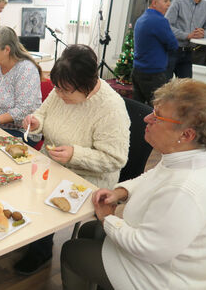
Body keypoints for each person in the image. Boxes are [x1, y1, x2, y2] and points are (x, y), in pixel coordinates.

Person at [61, 78, 206, 290]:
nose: (147, 118)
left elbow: (147, 248)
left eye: (158, 117)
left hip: (160, 277)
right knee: (88, 231)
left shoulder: (186, 190)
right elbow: (153, 176)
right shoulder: (189, 155)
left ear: (186, 134)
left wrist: (107, 217)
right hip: (158, 254)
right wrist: (120, 192)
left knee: (71, 251)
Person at [14, 44, 130, 275]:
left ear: (88, 85)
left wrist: (75, 154)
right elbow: (43, 114)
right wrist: (36, 122)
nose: (59, 94)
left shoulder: (111, 108)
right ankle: (35, 237)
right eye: (57, 88)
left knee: (40, 197)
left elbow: (116, 159)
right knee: (21, 185)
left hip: (89, 180)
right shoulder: (62, 90)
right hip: (55, 165)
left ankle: (41, 249)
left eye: (66, 91)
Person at [133, 0, 178, 105]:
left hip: (137, 72)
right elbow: (173, 45)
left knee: (138, 108)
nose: (169, 4)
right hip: (153, 75)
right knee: (158, 110)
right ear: (154, 3)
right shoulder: (159, 21)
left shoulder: (140, 19)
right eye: (166, 0)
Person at [165, 0, 206, 80]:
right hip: (171, 51)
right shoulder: (178, 2)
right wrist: (187, 35)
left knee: (186, 89)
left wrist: (203, 33)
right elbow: (166, 25)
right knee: (164, 86)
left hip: (188, 53)